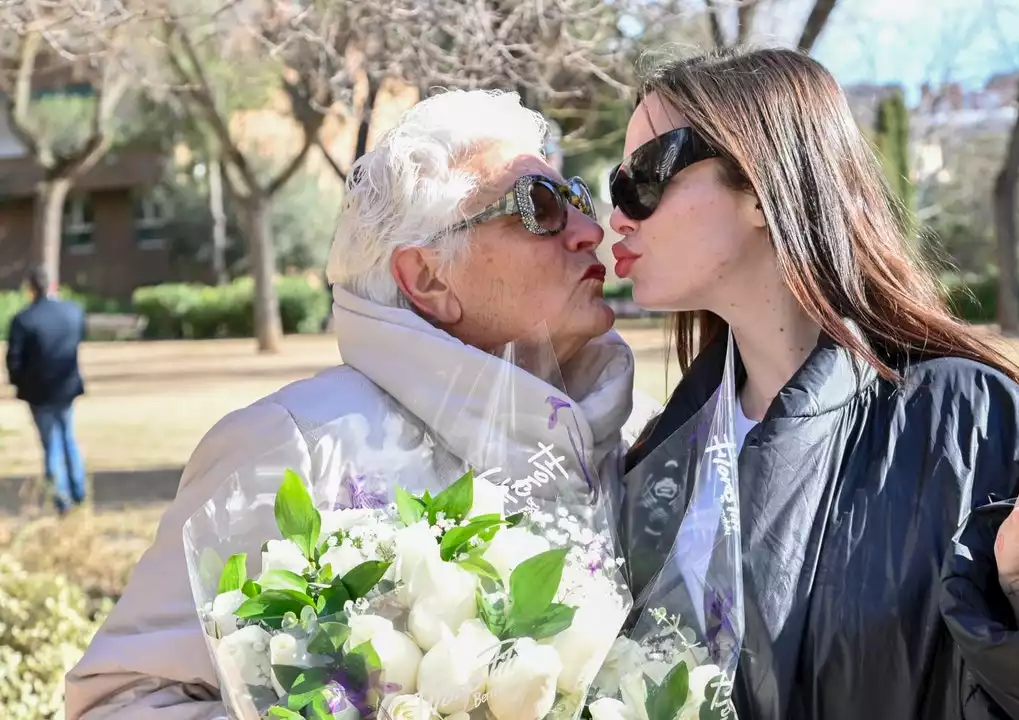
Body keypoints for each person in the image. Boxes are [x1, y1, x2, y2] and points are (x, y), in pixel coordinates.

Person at [609, 47, 1019, 719]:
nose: (619, 214)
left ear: (758, 182)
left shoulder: (969, 424)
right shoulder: (656, 459)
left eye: (645, 174)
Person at [65, 89, 658, 719]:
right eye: (538, 210)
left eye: (576, 200)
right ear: (428, 278)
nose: (591, 232)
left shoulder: (642, 433)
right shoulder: (294, 446)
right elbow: (118, 700)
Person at [5, 265, 88, 514]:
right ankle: (79, 491)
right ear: (52, 286)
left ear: (30, 288)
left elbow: (14, 360)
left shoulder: (23, 319)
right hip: (66, 386)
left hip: (38, 392)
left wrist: (20, 383)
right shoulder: (72, 312)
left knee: (51, 443)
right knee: (68, 437)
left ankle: (62, 499)